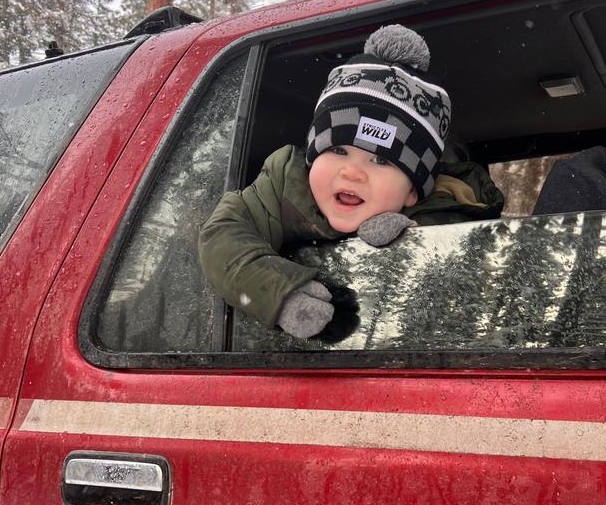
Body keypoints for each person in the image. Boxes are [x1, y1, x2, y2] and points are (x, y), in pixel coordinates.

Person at [199, 25, 503, 339]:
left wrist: (413, 232)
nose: (352, 172)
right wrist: (285, 293)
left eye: (381, 160)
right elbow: (223, 236)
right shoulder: (282, 186)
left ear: (412, 191)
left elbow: (458, 258)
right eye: (338, 149)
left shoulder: (452, 207)